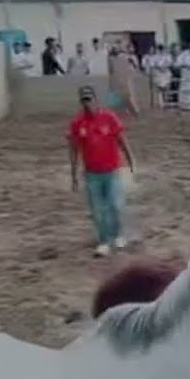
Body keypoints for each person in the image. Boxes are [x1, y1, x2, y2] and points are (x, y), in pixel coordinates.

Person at [68, 86, 137, 257]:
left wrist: (130, 160)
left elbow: (121, 140)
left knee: (115, 205)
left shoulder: (109, 117)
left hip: (112, 171)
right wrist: (73, 174)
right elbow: (74, 149)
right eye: (84, 100)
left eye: (89, 99)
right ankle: (104, 241)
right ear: (81, 102)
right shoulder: (77, 123)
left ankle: (118, 235)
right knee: (98, 210)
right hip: (92, 174)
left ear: (95, 99)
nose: (87, 103)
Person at [107, 46, 141, 116]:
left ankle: (135, 109)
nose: (115, 52)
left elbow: (132, 62)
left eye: (116, 50)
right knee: (122, 95)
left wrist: (134, 67)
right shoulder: (111, 59)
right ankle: (126, 109)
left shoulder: (124, 56)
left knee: (130, 94)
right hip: (119, 79)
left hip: (127, 78)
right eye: (113, 51)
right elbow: (111, 70)